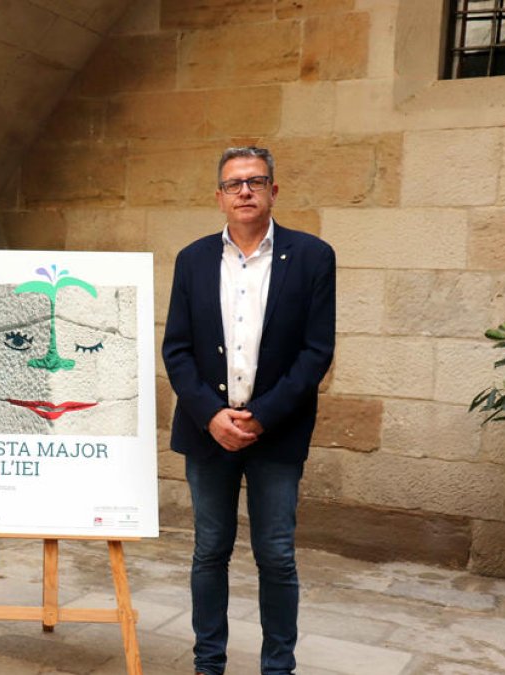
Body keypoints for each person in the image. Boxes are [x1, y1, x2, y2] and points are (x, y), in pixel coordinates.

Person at [162, 146, 336, 675]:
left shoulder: (312, 256)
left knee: (276, 555)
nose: (244, 191)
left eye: (256, 182)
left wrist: (261, 416)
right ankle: (207, 663)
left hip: (276, 433)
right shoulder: (192, 260)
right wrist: (212, 415)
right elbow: (177, 349)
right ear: (218, 196)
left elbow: (316, 351)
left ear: (273, 192)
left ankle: (277, 667)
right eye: (234, 184)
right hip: (206, 430)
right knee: (209, 550)